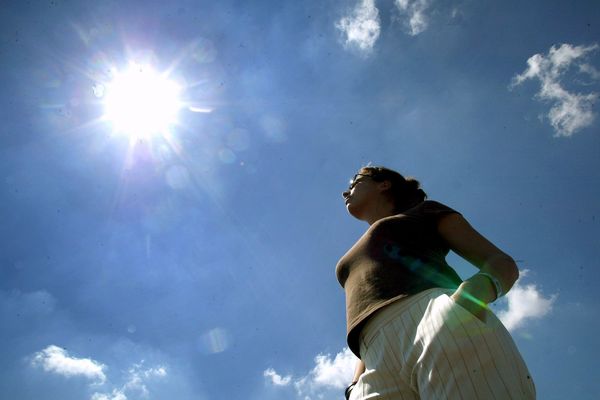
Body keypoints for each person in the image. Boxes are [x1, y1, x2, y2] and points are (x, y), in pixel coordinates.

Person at [337, 166, 536, 400]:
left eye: (355, 181)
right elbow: (370, 312)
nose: (345, 192)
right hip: (372, 356)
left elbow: (501, 262)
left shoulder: (424, 212)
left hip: (436, 318)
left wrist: (464, 302)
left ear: (384, 184)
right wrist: (354, 383)